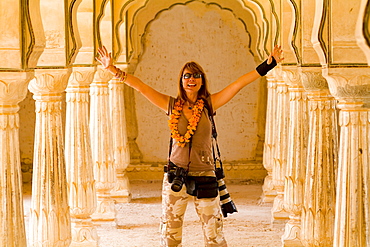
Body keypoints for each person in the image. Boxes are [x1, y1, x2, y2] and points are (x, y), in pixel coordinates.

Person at [96, 45, 283, 247]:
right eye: (187, 76)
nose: (191, 79)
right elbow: (141, 86)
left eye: (196, 75)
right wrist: (112, 69)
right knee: (170, 233)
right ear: (181, 80)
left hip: (205, 175)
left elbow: (238, 84)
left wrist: (268, 64)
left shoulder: (209, 104)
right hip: (176, 175)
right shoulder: (170, 105)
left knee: (214, 235)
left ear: (202, 81)